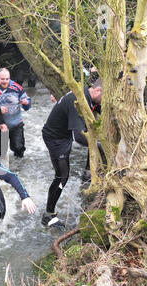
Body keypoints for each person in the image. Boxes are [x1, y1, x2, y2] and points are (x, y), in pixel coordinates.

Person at [41, 79, 103, 227]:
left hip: (65, 134)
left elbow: (100, 110)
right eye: (104, 98)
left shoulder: (88, 95)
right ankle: (48, 215)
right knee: (62, 175)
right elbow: (80, 137)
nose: (104, 102)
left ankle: (87, 176)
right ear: (98, 91)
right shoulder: (78, 101)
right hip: (55, 138)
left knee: (95, 139)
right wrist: (101, 147)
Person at [0, 68, 32, 158]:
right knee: (1, 153)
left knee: (19, 148)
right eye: (2, 79)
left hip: (16, 124)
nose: (5, 81)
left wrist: (26, 103)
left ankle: (19, 169)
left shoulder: (17, 87)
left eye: (7, 79)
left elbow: (27, 103)